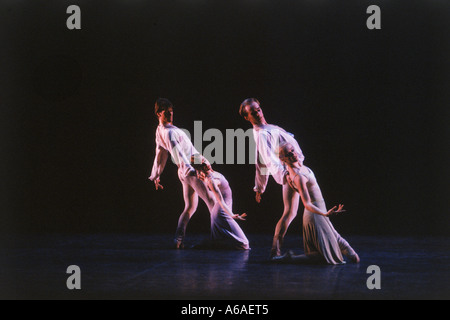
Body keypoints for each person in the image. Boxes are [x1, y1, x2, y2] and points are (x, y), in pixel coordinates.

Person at [275, 142, 360, 264]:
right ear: (283, 159)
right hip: (314, 214)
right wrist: (324, 214)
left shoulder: (299, 167)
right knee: (324, 257)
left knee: (335, 238)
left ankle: (348, 250)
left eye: (293, 150)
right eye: (289, 154)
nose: (293, 154)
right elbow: (307, 204)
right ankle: (291, 258)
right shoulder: (298, 176)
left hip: (320, 210)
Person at [239, 98, 304, 258]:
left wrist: (260, 187)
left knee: (291, 212)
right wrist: (286, 175)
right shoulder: (261, 134)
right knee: (299, 209)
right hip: (292, 173)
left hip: (297, 169)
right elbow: (268, 160)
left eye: (258, 109)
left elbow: (259, 162)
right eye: (253, 113)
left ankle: (276, 249)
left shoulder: (268, 127)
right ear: (247, 117)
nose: (258, 113)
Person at [148, 98, 215, 249]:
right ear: (158, 113)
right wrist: (192, 170)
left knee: (190, 207)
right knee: (212, 202)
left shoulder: (161, 130)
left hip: (186, 170)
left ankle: (178, 239)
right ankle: (218, 237)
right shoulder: (168, 132)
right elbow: (175, 153)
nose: (170, 115)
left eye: (171, 112)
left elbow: (160, 155)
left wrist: (156, 174)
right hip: (189, 170)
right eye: (166, 112)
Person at [190, 154, 250, 250]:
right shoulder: (211, 181)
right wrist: (232, 214)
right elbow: (221, 200)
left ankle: (211, 245)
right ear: (201, 167)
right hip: (221, 211)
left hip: (222, 208)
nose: (206, 163)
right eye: (202, 163)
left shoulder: (206, 173)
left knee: (218, 239)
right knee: (244, 244)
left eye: (204, 159)